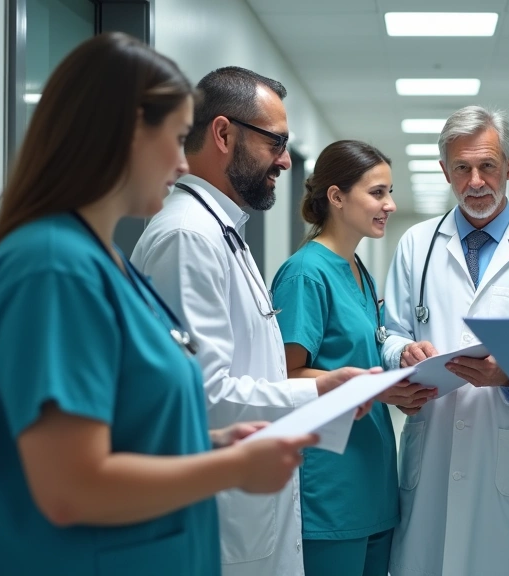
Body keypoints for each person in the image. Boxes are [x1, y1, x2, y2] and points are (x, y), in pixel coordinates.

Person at [0, 33, 317, 576]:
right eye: (174, 138)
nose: (181, 161)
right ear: (121, 137)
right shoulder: (53, 266)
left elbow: (126, 420)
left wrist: (210, 439)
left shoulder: (102, 263)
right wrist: (230, 466)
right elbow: (71, 488)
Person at [130, 67, 379, 576]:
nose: (286, 161)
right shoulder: (188, 238)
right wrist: (320, 392)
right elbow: (204, 396)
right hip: (221, 526)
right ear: (223, 134)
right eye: (276, 142)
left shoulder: (223, 232)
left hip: (250, 513)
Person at [380, 105, 509, 576]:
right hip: (433, 448)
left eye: (488, 166)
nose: (475, 181)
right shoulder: (416, 245)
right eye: (462, 168)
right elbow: (391, 331)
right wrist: (402, 352)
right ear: (445, 171)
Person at [270, 140, 434, 576]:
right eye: (377, 193)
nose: (390, 205)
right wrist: (372, 389)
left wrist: (397, 382)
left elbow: (362, 359)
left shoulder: (358, 269)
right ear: (337, 197)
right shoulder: (306, 273)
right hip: (330, 487)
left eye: (390, 192)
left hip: (372, 480)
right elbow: (284, 377)